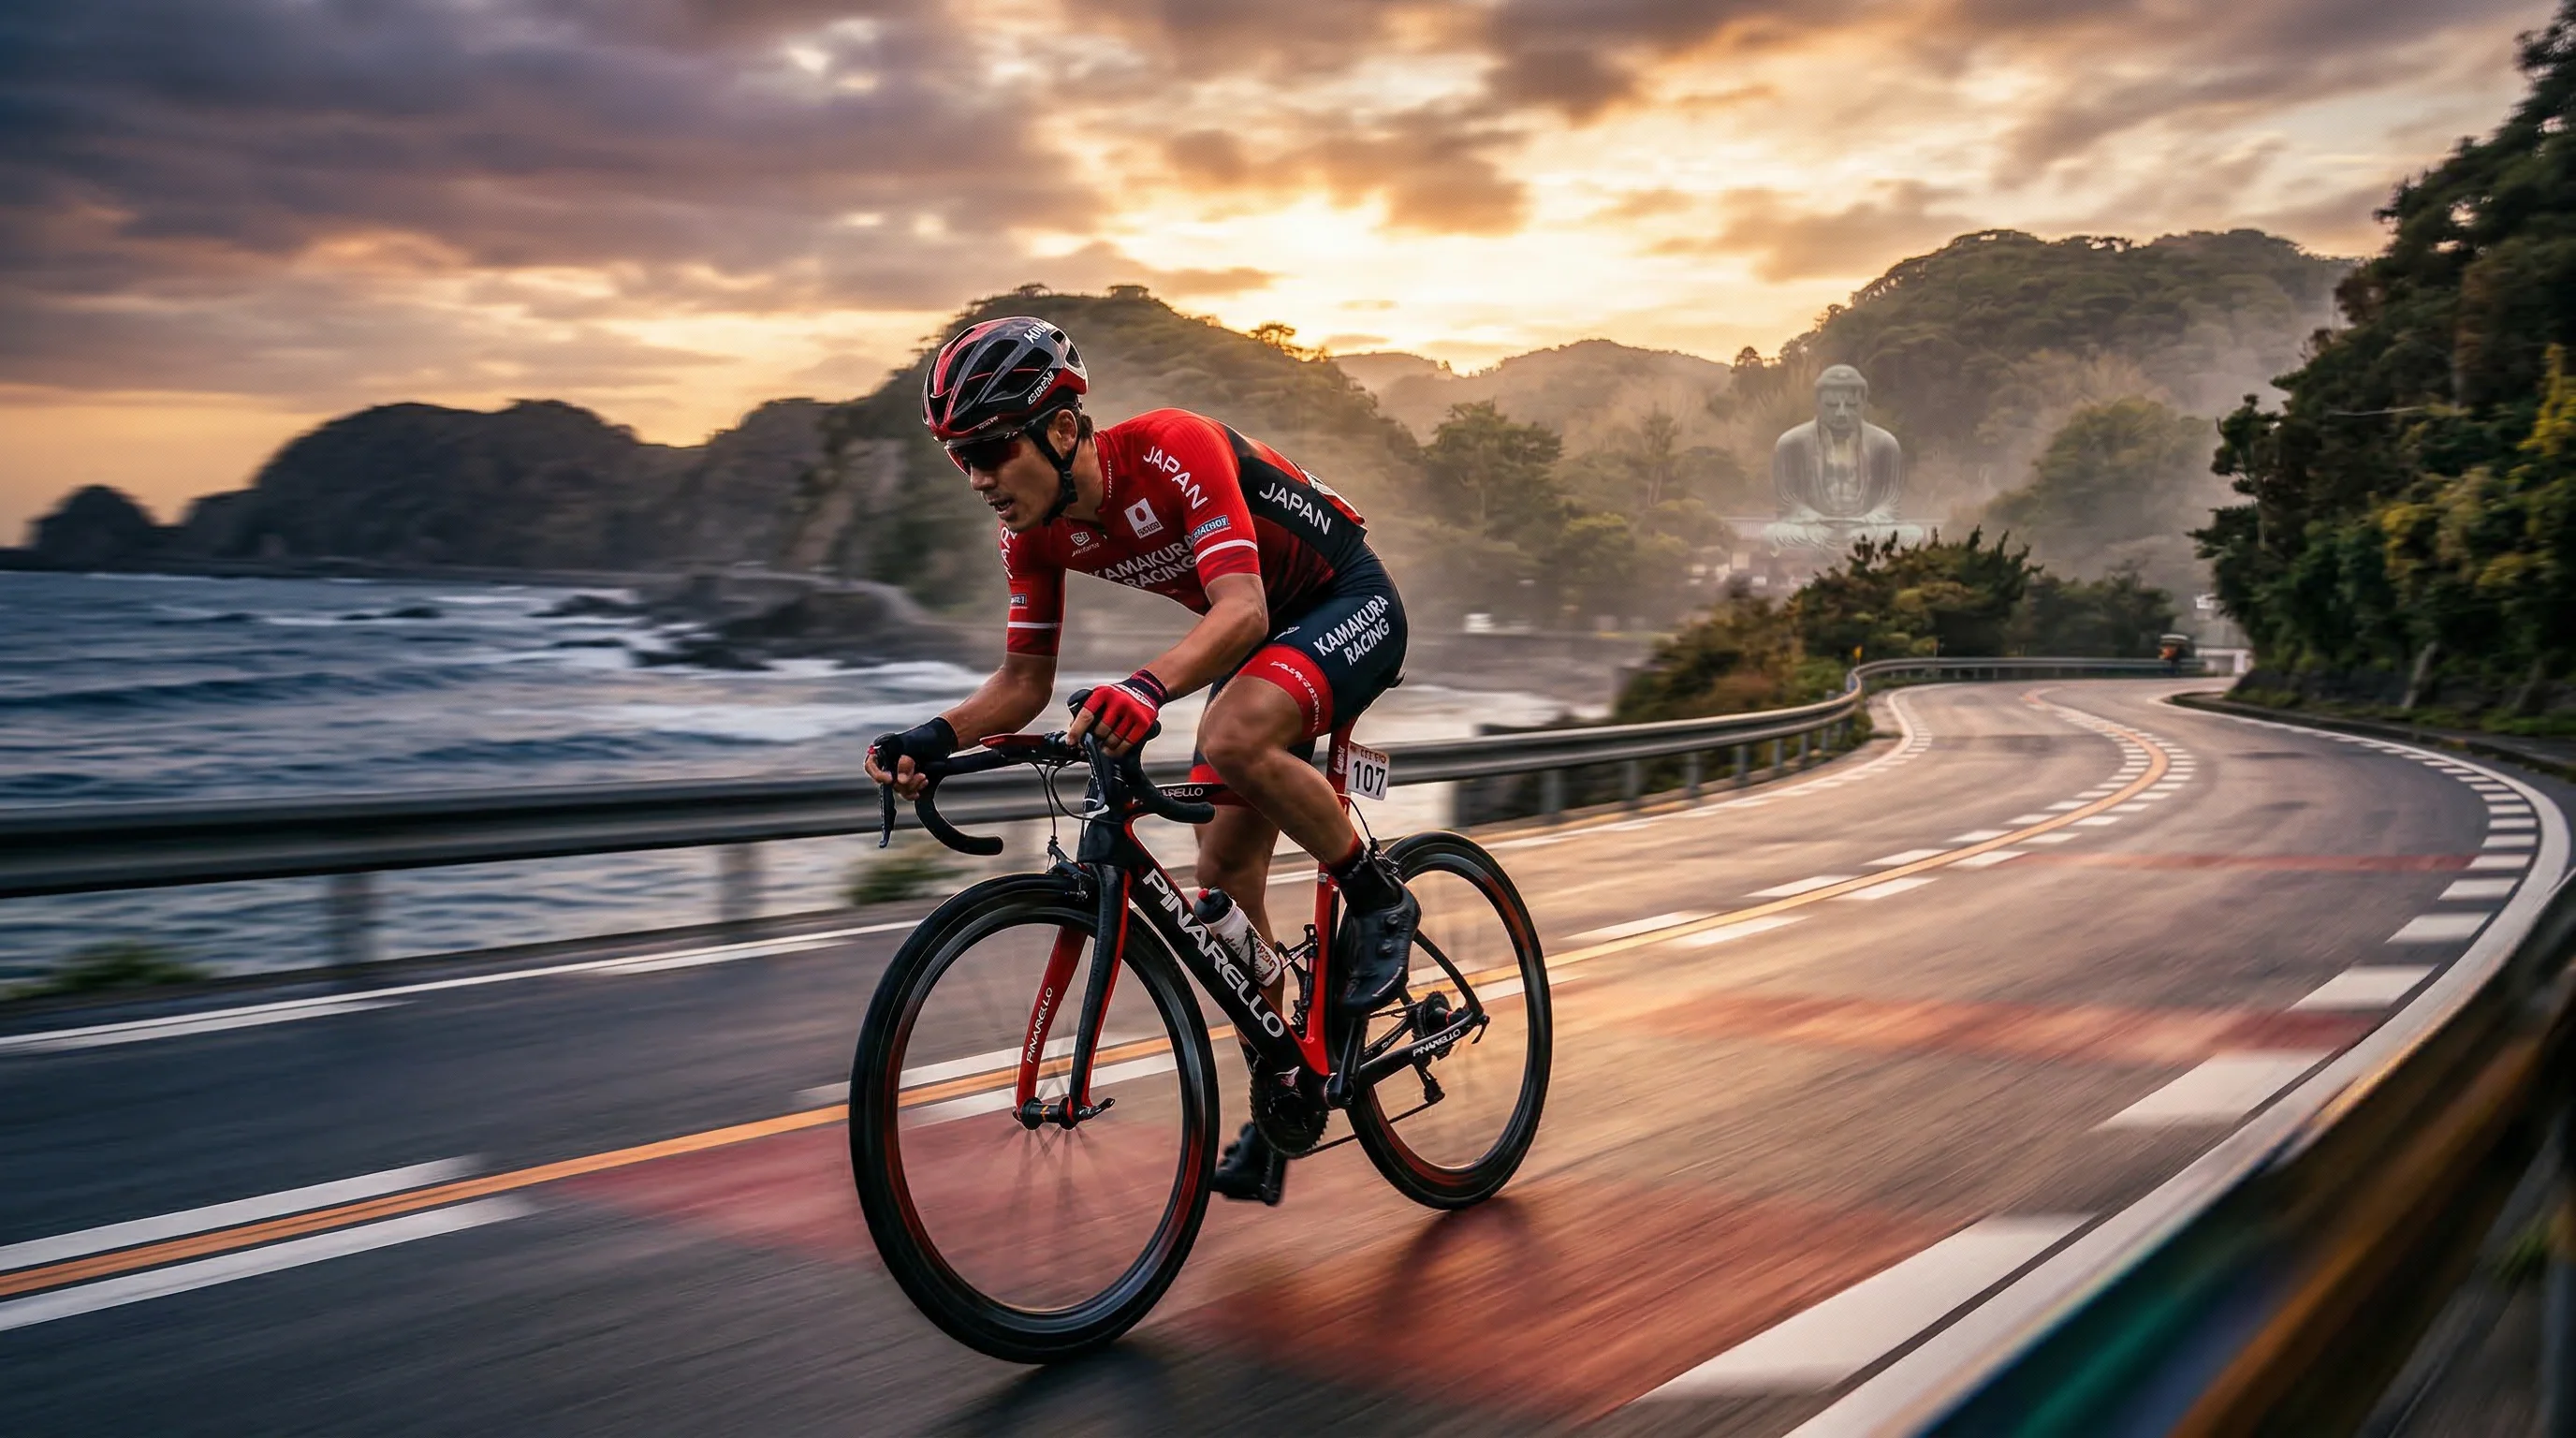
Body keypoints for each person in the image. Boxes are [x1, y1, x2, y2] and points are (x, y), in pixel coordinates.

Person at [866, 316, 1417, 1206]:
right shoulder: (1034, 534)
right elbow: (1019, 682)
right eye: (958, 457)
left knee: (1234, 738)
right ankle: (1288, 1090)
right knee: (1224, 883)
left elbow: (1237, 609)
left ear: (1058, 426)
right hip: (1266, 637)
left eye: (991, 451)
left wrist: (1148, 689)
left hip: (1345, 601)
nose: (977, 479)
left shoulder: (1172, 448)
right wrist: (933, 737)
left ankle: (1379, 892)